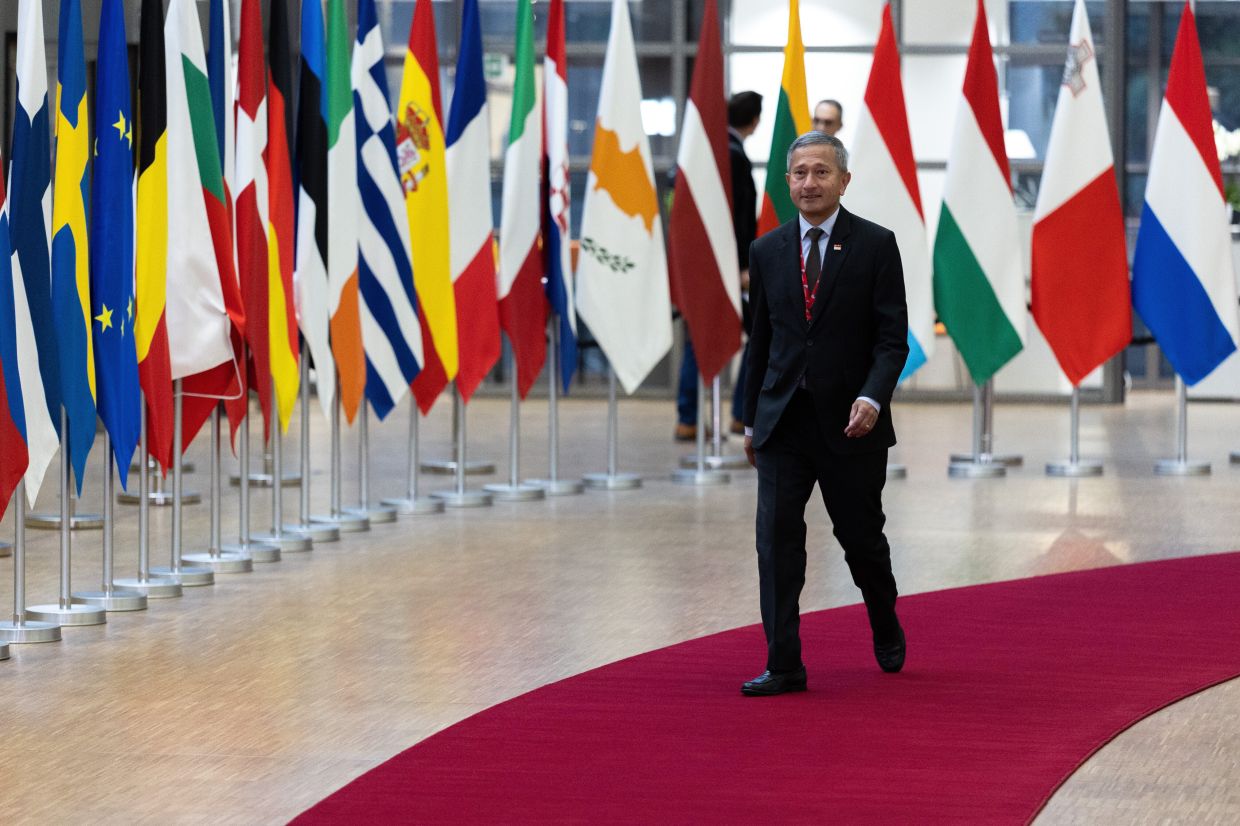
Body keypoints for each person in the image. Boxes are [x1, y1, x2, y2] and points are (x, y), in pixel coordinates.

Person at [740, 131, 908, 696]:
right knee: (776, 542)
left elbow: (892, 340)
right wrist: (748, 419)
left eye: (821, 173)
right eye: (799, 174)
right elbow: (761, 340)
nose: (809, 183)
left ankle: (884, 620)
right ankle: (784, 663)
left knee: (861, 538)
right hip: (783, 422)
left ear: (843, 180)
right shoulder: (767, 250)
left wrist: (872, 396)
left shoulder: (876, 245)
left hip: (851, 422)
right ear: (787, 182)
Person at [674, 91, 763, 440]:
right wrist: (744, 265)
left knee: (698, 340)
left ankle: (688, 418)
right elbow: (738, 219)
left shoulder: (703, 153)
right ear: (754, 121)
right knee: (758, 336)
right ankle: (742, 413)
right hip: (727, 268)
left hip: (698, 266)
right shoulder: (734, 157)